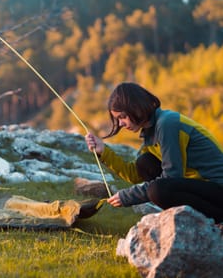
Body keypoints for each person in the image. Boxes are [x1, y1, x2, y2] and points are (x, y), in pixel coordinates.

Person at [85, 82, 223, 224]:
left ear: (136, 108)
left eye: (123, 117)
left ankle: (217, 219)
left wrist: (128, 196)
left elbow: (171, 177)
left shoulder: (167, 124)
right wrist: (104, 152)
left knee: (158, 190)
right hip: (202, 188)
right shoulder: (150, 132)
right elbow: (134, 174)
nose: (120, 123)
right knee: (145, 162)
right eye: (118, 119)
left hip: (217, 187)